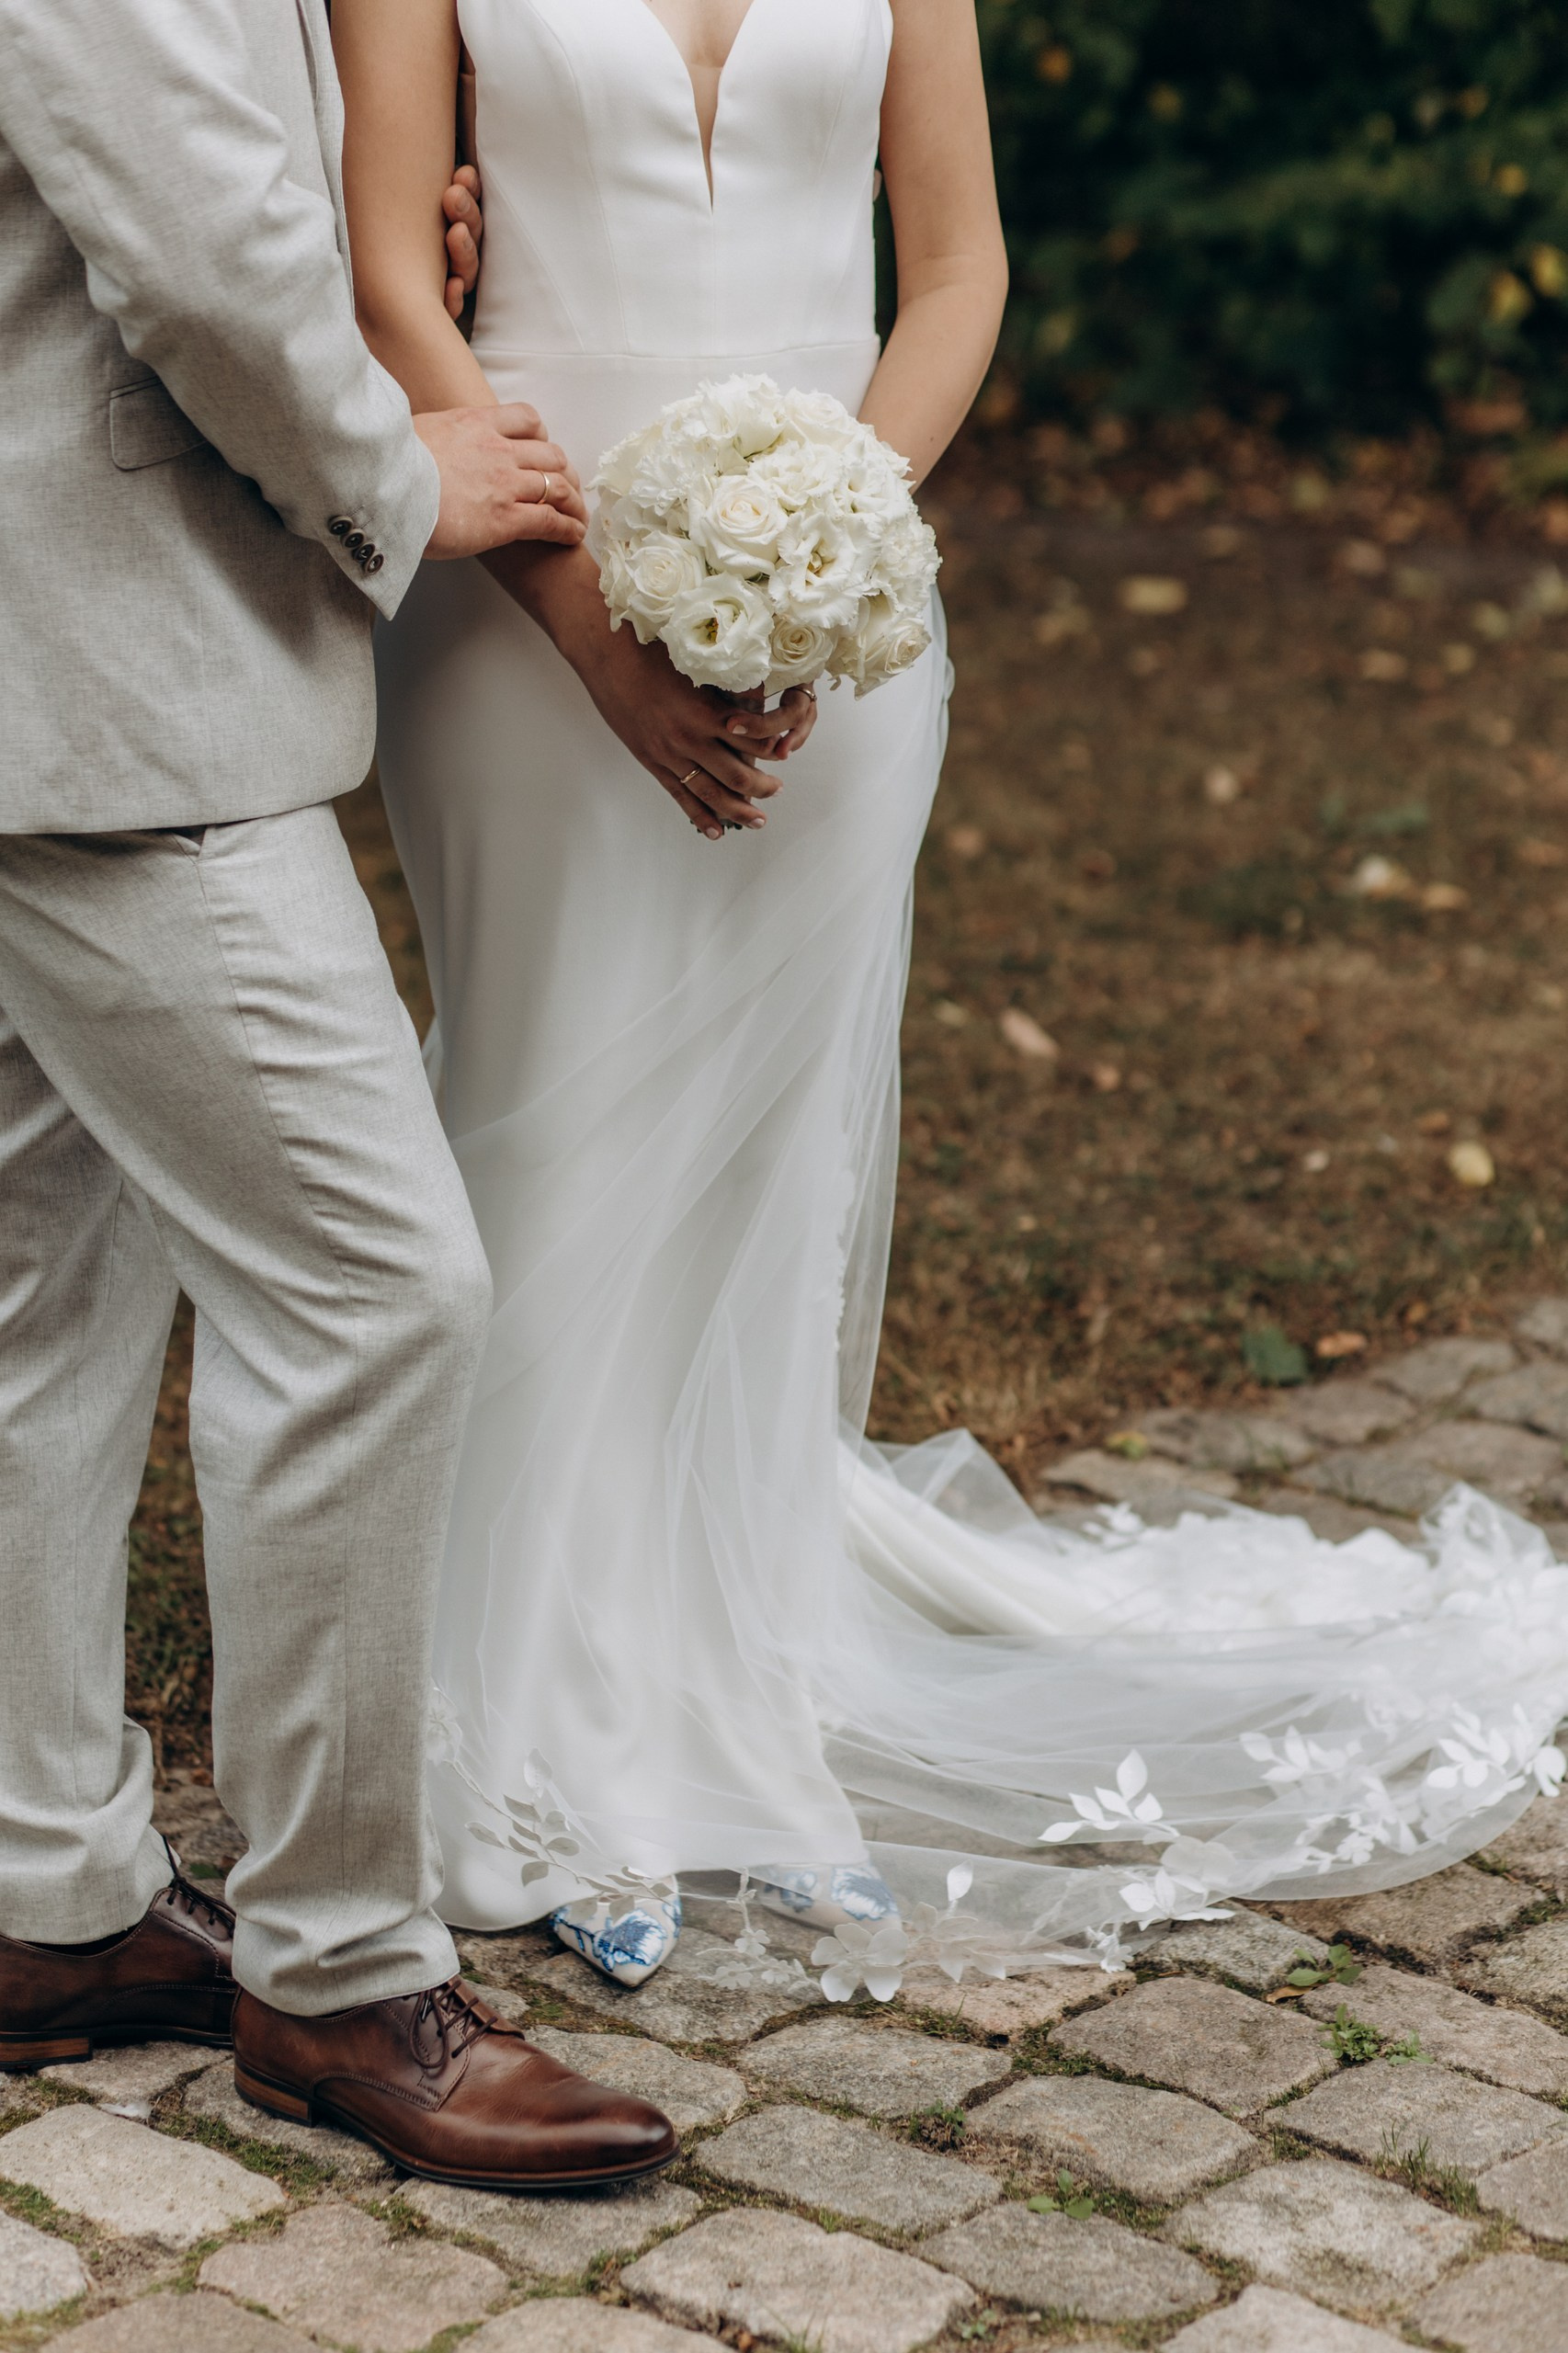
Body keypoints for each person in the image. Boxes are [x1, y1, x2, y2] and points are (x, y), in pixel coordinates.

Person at [337, 0, 1568, 1995]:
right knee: (547, 1132)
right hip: (519, 601)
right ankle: (535, 1735)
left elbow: (962, 260)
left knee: (749, 1167)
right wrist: (591, 619)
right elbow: (393, 266)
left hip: (841, 631)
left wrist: (821, 533)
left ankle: (723, 1687)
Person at [0, 0, 676, 2185]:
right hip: (124, 699)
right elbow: (197, 262)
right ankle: (344, 1969)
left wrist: (356, 224)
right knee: (376, 1289)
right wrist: (403, 463)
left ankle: (42, 1896)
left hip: (64, 670)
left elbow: (174, 177)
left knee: (45, 1299)